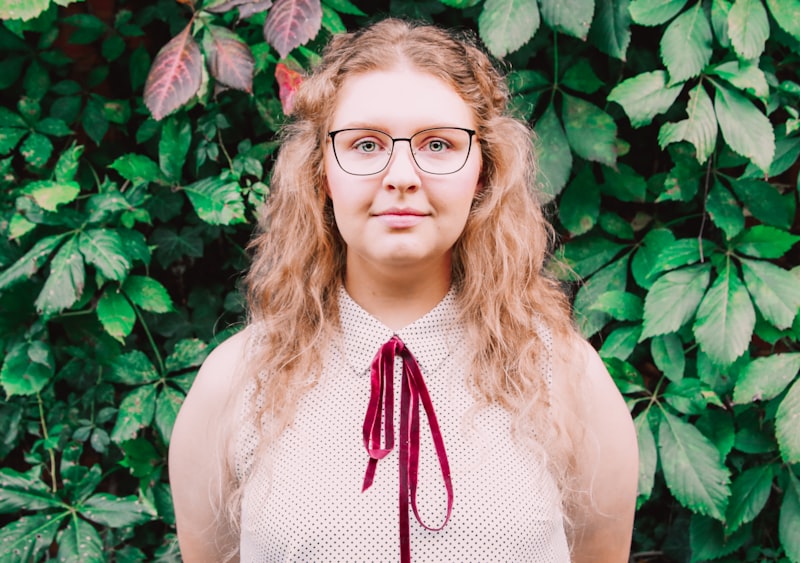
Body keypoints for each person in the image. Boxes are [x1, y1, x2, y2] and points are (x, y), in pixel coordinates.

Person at [169, 18, 638, 562]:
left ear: (483, 172)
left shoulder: (565, 379)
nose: (401, 175)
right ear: (322, 172)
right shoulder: (235, 383)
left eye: (437, 144)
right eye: (366, 144)